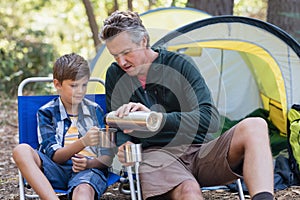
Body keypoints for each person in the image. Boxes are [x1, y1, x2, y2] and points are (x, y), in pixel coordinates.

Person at [100, 10, 275, 200]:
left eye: (126, 53)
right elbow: (117, 126)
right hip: (157, 157)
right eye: (115, 56)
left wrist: (157, 120)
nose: (121, 62)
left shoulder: (179, 64)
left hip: (200, 151)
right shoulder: (115, 74)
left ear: (143, 41)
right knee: (189, 190)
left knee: (256, 125)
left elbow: (210, 119)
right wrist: (123, 145)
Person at [13, 53, 114, 200]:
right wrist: (83, 142)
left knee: (83, 193)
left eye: (84, 85)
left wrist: (88, 163)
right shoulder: (47, 112)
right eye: (74, 85)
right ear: (57, 84)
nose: (80, 90)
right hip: (55, 169)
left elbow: (107, 157)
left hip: (87, 171)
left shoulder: (95, 110)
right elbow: (55, 157)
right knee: (21, 150)